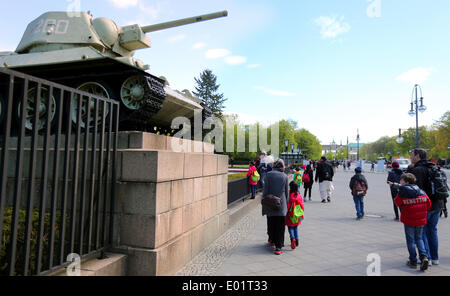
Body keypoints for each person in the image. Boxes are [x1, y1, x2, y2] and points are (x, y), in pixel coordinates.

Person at [409, 148, 444, 266]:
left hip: (426, 205)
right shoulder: (433, 167)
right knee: (433, 231)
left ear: (417, 156)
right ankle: (435, 258)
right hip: (438, 204)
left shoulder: (418, 170)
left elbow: (415, 190)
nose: (410, 157)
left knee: (422, 232)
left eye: (412, 155)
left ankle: (426, 257)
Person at [393, 173, 431, 271]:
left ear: (406, 182)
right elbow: (428, 204)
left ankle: (413, 261)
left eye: (401, 181)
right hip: (421, 220)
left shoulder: (402, 192)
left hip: (409, 220)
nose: (400, 182)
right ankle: (424, 257)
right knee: (419, 239)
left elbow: (397, 202)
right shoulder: (421, 191)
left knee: (410, 241)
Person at [262, 159, 289, 255]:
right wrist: (287, 204)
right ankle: (278, 247)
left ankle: (271, 239)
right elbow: (286, 193)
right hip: (281, 204)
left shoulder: (268, 175)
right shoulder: (285, 176)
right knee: (280, 226)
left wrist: (264, 201)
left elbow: (265, 191)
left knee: (271, 222)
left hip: (270, 202)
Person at [286, 181, 305, 250]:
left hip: (290, 214)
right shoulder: (299, 195)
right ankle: (297, 241)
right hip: (297, 215)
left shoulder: (289, 195)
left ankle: (292, 238)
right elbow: (302, 205)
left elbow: (287, 205)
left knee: (290, 228)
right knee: (296, 228)